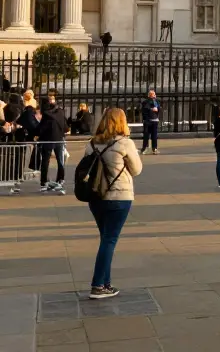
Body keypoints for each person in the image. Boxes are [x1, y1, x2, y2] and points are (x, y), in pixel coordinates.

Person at [83, 107, 142, 300]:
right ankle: (98, 285)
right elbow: (137, 169)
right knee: (109, 240)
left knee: (105, 239)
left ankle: (106, 283)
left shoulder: (91, 144)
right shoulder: (125, 143)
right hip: (119, 196)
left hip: (96, 197)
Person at [36, 89, 69, 194]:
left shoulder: (46, 114)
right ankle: (60, 180)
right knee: (60, 160)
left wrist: (37, 133)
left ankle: (44, 182)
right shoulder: (61, 112)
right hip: (59, 138)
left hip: (48, 139)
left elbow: (42, 127)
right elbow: (65, 127)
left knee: (45, 161)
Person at [139, 90, 160, 155]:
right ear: (149, 95)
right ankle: (145, 148)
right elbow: (144, 110)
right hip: (148, 121)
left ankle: (154, 148)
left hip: (155, 120)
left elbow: (159, 109)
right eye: (152, 94)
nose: (154, 95)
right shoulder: (145, 102)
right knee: (146, 136)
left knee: (154, 136)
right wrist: (152, 110)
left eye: (154, 94)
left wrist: (157, 109)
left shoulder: (156, 101)